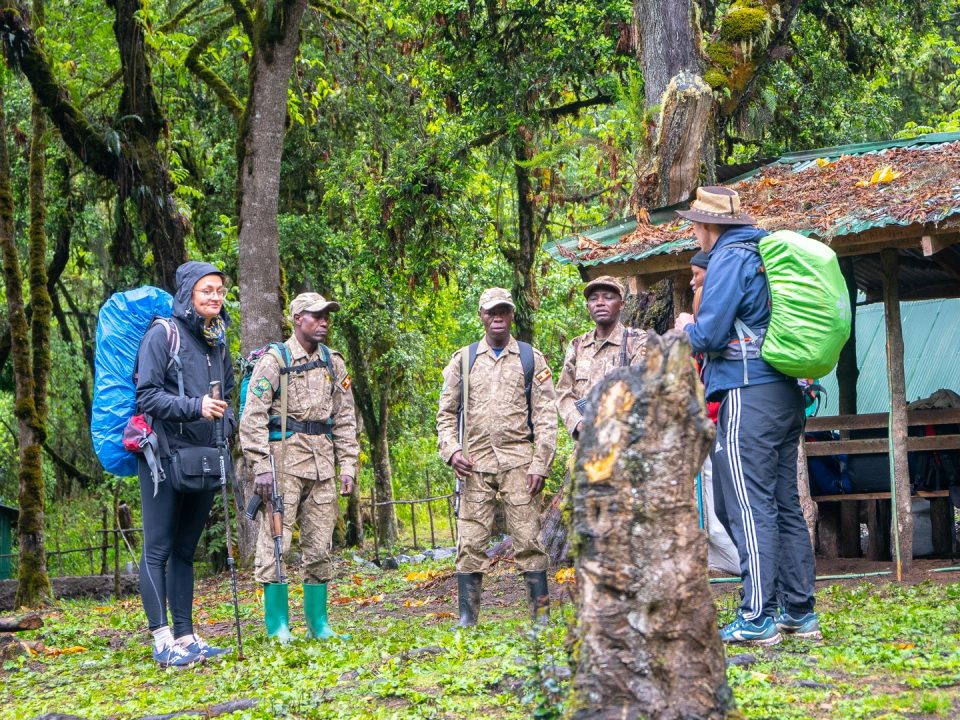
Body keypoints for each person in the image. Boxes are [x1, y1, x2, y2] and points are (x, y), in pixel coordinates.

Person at [674, 186, 819, 645]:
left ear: (708, 225)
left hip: (745, 391)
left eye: (695, 224)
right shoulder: (763, 252)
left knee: (749, 505)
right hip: (783, 393)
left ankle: (758, 616)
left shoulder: (728, 258)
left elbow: (712, 335)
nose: (694, 232)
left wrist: (686, 328)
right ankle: (799, 611)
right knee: (784, 505)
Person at [240, 292, 359, 641]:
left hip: (322, 465)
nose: (323, 322)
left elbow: (346, 418)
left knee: (321, 545)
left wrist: (348, 465)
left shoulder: (333, 362)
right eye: (315, 315)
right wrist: (261, 466)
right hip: (283, 466)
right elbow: (252, 418)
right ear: (296, 319)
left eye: (326, 316)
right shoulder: (274, 361)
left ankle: (318, 624)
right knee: (277, 545)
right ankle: (278, 625)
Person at [437, 288, 558, 627]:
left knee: (529, 539)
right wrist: (452, 451)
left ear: (512, 314)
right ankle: (467, 618)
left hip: (519, 463)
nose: (498, 317)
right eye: (491, 312)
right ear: (481, 315)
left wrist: (541, 464)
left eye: (504, 310)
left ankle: (541, 618)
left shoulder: (531, 359)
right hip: (473, 464)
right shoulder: (464, 359)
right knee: (470, 541)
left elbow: (547, 416)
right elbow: (446, 413)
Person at [135, 261, 235, 666]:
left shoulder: (218, 340)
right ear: (188, 292)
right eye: (206, 290)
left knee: (185, 550)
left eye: (220, 291)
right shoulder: (163, 334)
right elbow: (147, 397)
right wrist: (196, 407)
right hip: (161, 455)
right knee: (157, 548)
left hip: (204, 457)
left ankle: (186, 636)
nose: (215, 297)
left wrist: (225, 430)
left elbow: (228, 394)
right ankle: (161, 640)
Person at [556, 275, 646, 440]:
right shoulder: (578, 345)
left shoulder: (637, 341)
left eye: (609, 297)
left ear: (622, 305)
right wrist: (578, 422)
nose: (600, 303)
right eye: (593, 299)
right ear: (588, 306)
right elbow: (563, 391)